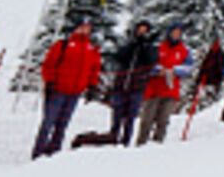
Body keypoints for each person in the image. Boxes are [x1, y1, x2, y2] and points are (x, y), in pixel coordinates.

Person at [32, 18, 101, 159]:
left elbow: (94, 69)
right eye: (81, 27)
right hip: (58, 90)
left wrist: (92, 86)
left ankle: (54, 150)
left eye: (87, 28)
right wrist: (50, 81)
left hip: (75, 92)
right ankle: (38, 152)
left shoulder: (91, 49)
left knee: (62, 124)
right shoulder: (63, 45)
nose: (84, 30)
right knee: (48, 123)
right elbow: (49, 64)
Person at [136, 22, 190, 145]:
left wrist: (174, 70)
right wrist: (157, 70)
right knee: (147, 120)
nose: (176, 35)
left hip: (171, 90)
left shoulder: (184, 51)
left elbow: (188, 68)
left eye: (179, 33)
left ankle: (158, 144)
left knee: (163, 121)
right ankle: (140, 144)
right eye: (174, 32)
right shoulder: (158, 47)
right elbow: (148, 64)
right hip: (154, 89)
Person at [107, 20, 157, 144]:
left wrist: (145, 46)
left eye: (145, 31)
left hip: (137, 86)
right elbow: (118, 57)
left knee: (131, 117)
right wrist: (132, 45)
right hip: (121, 84)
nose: (142, 32)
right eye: (140, 30)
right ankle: (113, 138)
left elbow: (152, 61)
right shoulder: (127, 43)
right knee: (117, 114)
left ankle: (126, 141)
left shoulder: (150, 47)